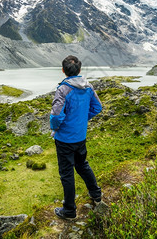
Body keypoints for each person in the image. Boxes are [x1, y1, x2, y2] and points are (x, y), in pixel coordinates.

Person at [50, 55, 103, 220]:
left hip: (65, 139)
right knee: (82, 165)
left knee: (67, 173)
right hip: (80, 136)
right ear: (79, 70)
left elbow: (56, 116)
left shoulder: (63, 89)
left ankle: (69, 211)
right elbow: (98, 107)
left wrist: (55, 128)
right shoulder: (88, 87)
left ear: (63, 71)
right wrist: (81, 120)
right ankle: (96, 194)